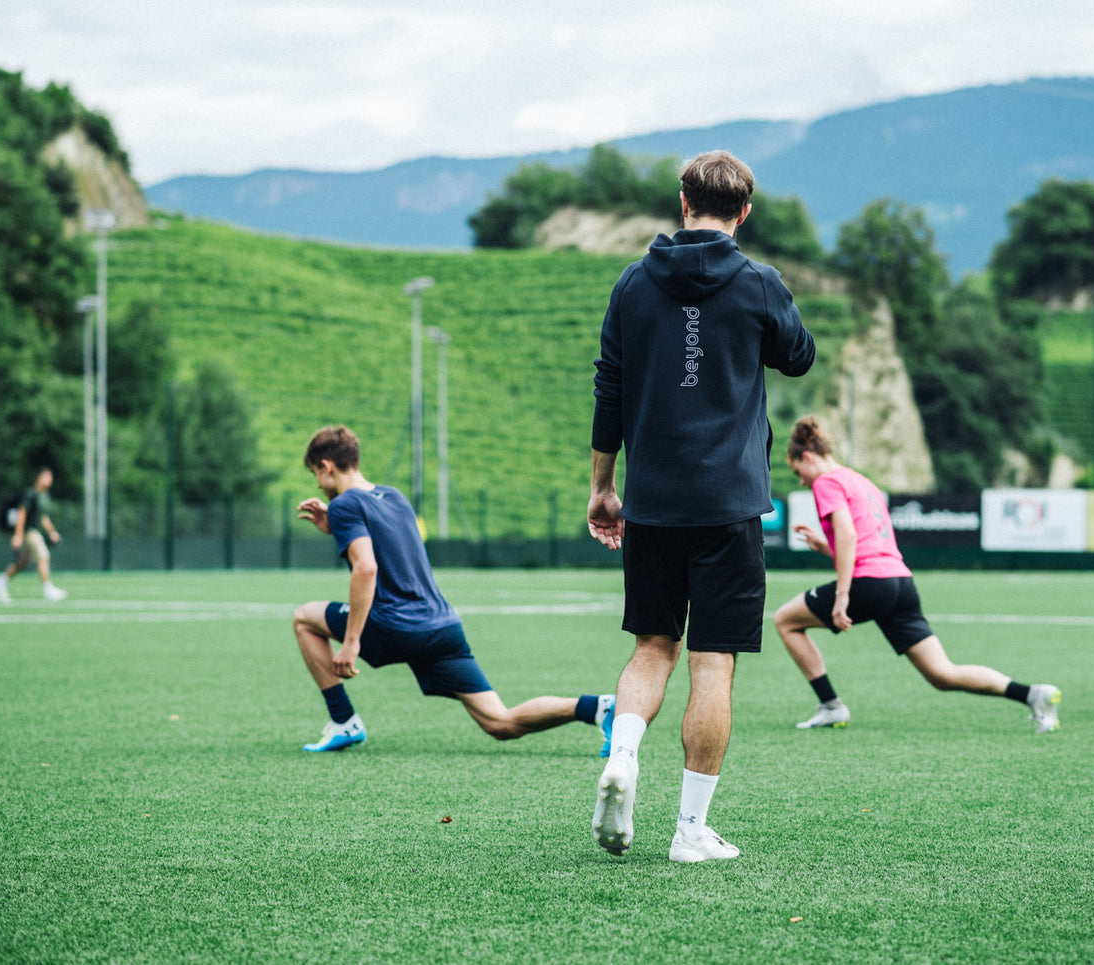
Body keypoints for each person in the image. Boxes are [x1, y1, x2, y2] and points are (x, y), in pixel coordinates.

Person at [588, 150, 816, 863]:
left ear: (681, 201)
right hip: (729, 506)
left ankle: (622, 753)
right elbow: (799, 356)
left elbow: (609, 389)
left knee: (652, 645)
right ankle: (689, 829)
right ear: (742, 211)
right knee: (712, 663)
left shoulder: (632, 282)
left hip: (652, 500)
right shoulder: (758, 282)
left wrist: (602, 486)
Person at [292, 425, 615, 753]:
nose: (318, 483)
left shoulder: (345, 504)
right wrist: (335, 526)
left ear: (326, 466)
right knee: (499, 722)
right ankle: (598, 708)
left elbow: (367, 567)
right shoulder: (393, 497)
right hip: (441, 626)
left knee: (304, 618)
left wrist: (350, 642)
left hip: (394, 624)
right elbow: (389, 544)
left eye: (315, 474)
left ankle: (344, 721)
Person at [773, 417, 1062, 734]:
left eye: (798, 473)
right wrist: (827, 548)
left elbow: (848, 535)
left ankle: (831, 706)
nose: (802, 482)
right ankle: (1034, 694)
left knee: (786, 620)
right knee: (942, 674)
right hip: (900, 583)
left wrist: (842, 596)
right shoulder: (860, 481)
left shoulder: (826, 482)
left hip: (868, 582)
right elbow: (866, 541)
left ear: (808, 457)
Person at [0, 467, 67, 603]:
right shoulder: (31, 494)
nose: (50, 479)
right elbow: (22, 513)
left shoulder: (45, 496)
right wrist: (18, 535)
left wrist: (52, 532)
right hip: (30, 532)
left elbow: (44, 518)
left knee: (22, 563)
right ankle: (47, 589)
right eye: (47, 476)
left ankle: (0, 583)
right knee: (43, 556)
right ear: (39, 477)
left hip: (37, 532)